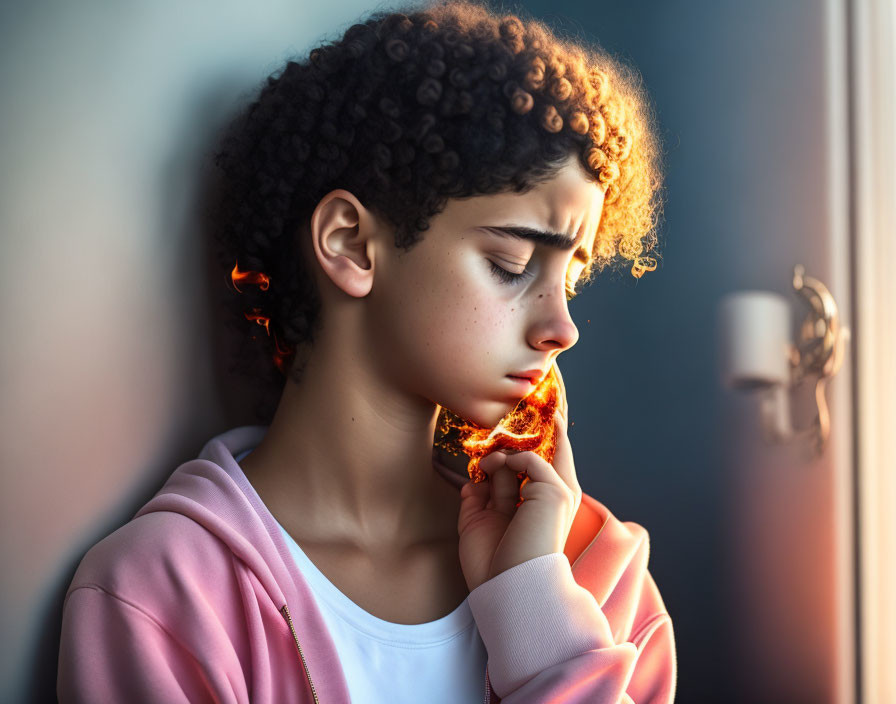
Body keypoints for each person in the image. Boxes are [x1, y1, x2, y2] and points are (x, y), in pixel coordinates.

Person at [57, 1, 676, 701]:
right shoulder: (164, 600)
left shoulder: (602, 584)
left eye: (573, 278)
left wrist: (536, 609)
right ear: (350, 243)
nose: (563, 326)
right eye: (510, 264)